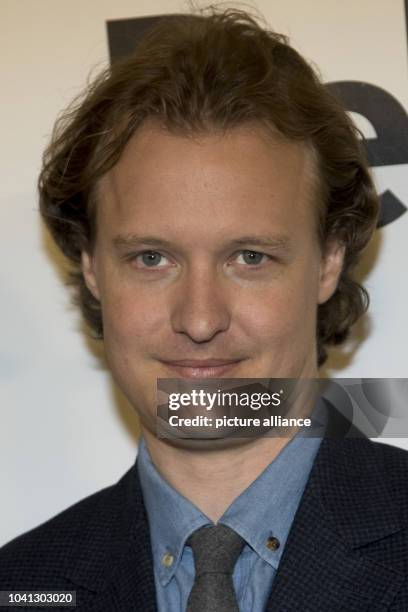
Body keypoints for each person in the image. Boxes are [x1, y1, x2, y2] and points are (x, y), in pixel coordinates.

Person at [1, 8, 407, 612]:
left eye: (248, 257)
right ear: (91, 266)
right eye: (150, 258)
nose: (198, 320)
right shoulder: (22, 586)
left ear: (327, 262)